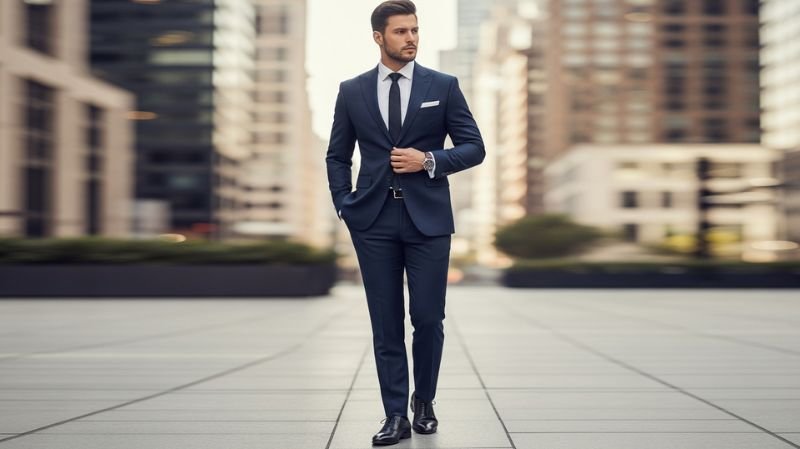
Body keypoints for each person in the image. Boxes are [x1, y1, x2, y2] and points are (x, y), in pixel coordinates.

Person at [325, 0, 485, 445]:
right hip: (373, 220)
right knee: (386, 322)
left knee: (428, 317)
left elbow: (474, 147)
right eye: (400, 31)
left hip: (428, 220)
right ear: (379, 37)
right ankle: (394, 414)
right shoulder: (352, 90)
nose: (411, 38)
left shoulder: (443, 86)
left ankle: (424, 402)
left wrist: (429, 159)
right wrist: (344, 204)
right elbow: (337, 155)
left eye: (414, 30)